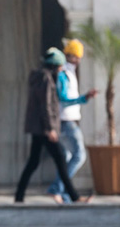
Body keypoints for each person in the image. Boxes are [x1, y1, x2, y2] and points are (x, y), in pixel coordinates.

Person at [15, 48, 88, 204]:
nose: (62, 69)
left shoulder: (39, 77)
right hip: (44, 129)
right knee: (61, 160)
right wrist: (50, 129)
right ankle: (73, 196)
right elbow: (46, 106)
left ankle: (19, 196)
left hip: (38, 127)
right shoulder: (46, 80)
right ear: (55, 65)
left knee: (34, 162)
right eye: (60, 66)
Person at [46, 38, 99, 203]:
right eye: (76, 56)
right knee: (79, 155)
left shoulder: (70, 73)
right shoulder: (63, 74)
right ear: (70, 56)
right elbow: (63, 99)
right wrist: (83, 98)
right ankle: (56, 189)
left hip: (69, 120)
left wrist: (83, 99)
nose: (79, 60)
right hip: (66, 121)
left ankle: (63, 194)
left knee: (67, 157)